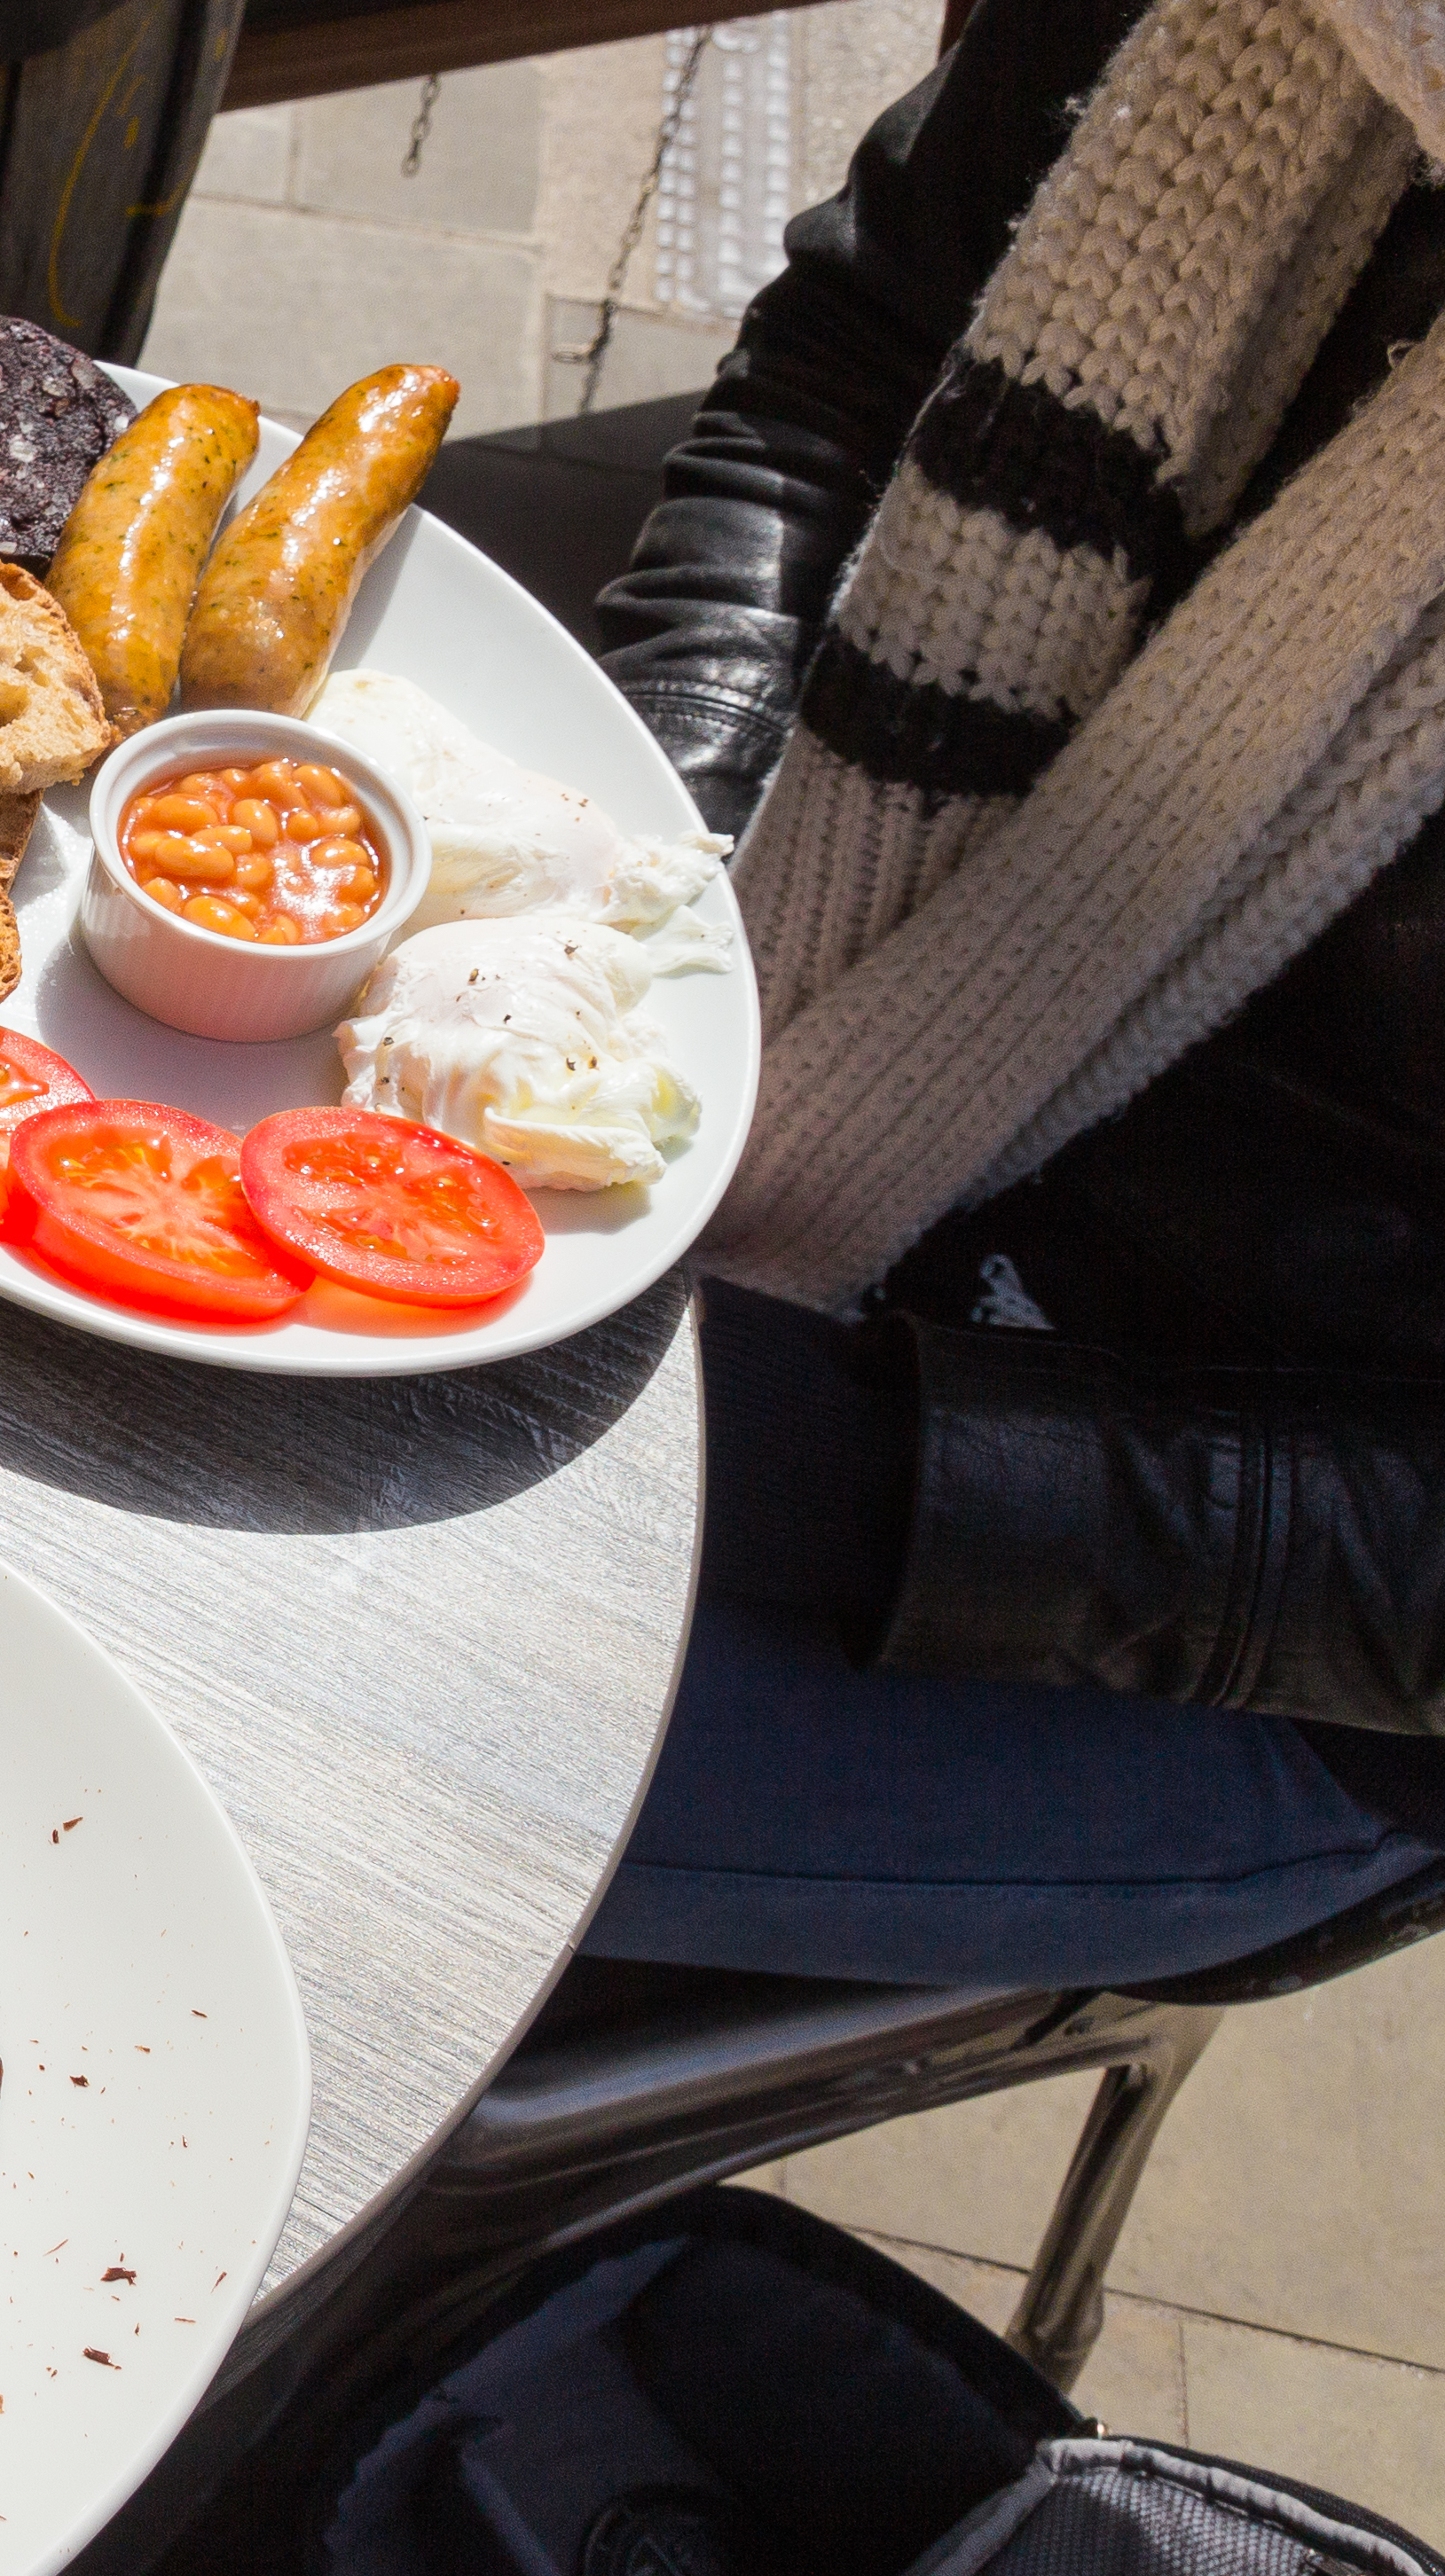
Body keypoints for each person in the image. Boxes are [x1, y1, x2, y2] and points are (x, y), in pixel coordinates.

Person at [586, 0, 1445, 1986]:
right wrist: (656, 923)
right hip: (799, 994)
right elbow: (856, 356)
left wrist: (882, 1474)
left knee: (261, 1745)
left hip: (1186, 1606)